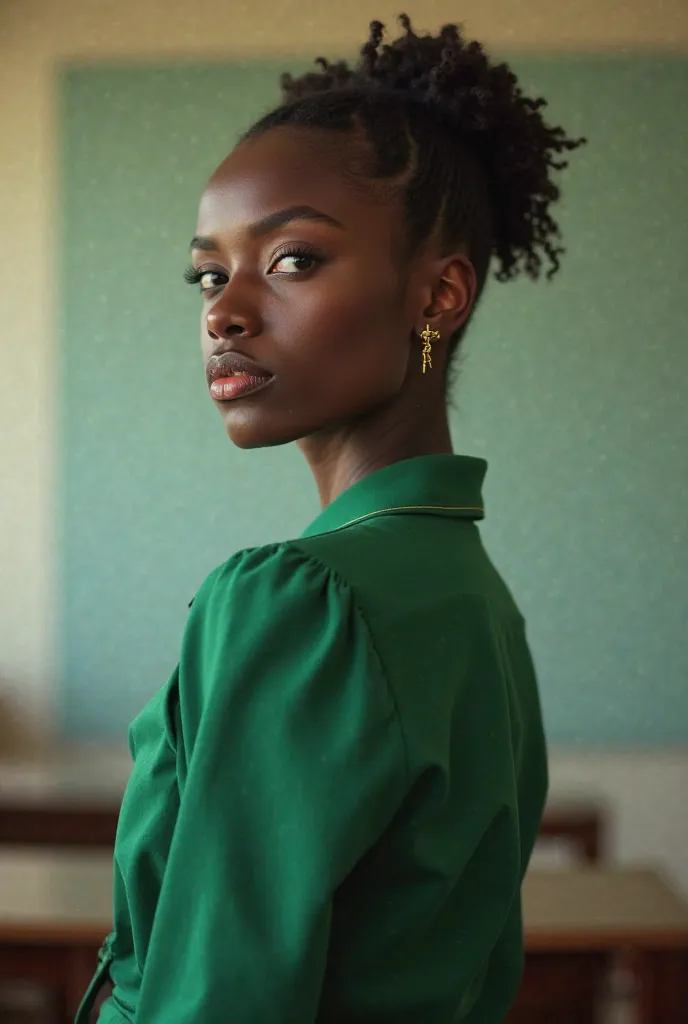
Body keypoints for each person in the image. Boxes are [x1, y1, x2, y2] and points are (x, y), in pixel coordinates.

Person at [77, 15, 585, 1024]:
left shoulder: (300, 601)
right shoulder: (472, 595)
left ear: (437, 295)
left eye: (294, 259)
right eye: (209, 273)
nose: (224, 311)